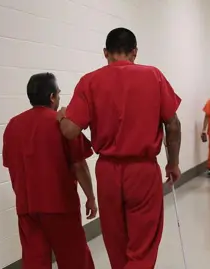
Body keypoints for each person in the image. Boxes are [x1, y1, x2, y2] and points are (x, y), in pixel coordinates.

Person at [57, 28, 182, 269]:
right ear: (135, 52)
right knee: (142, 245)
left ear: (105, 53)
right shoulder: (153, 76)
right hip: (143, 172)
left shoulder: (90, 81)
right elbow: (173, 124)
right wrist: (173, 163)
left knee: (116, 242)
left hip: (108, 173)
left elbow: (70, 131)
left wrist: (62, 116)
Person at [2, 73, 96, 269]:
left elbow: (12, 166)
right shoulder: (61, 123)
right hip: (59, 206)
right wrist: (91, 197)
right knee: (74, 259)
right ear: (52, 97)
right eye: (59, 93)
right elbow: (79, 165)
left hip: (27, 208)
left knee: (35, 261)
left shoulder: (13, 126)